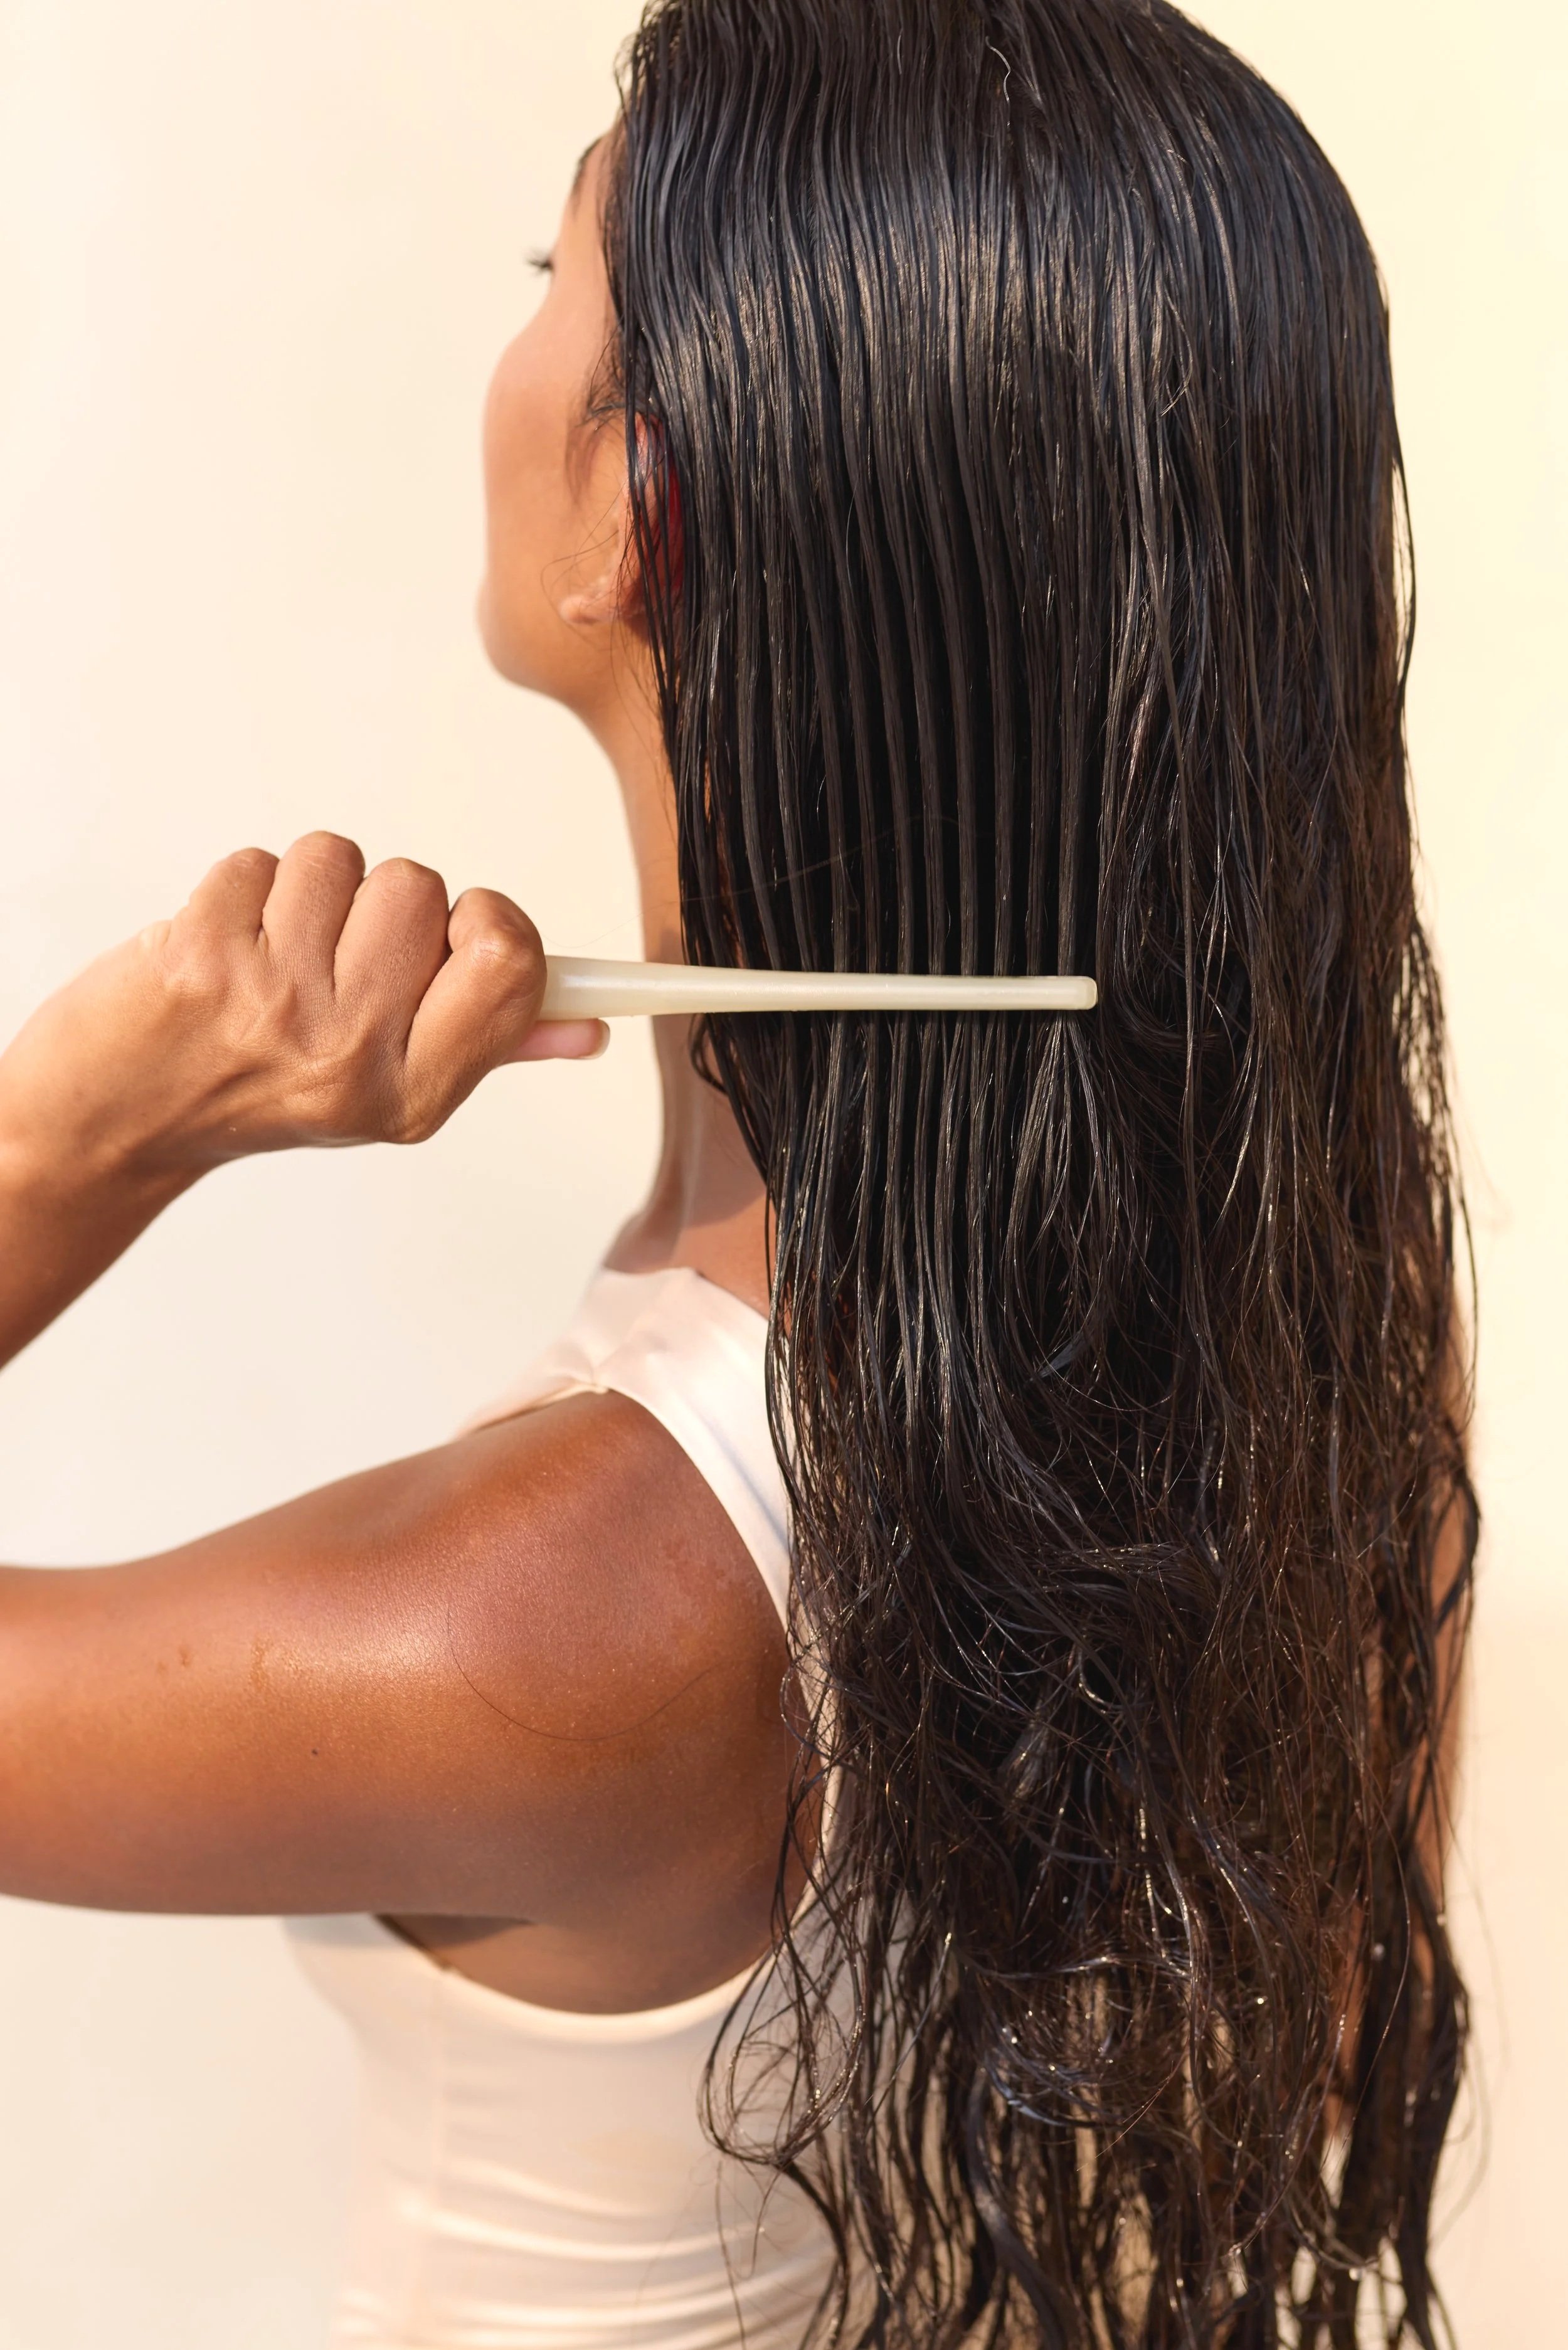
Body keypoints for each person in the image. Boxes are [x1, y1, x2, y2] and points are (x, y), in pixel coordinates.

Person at [0, 1, 1475, 2344]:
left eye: (543, 260)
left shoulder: (580, 1612)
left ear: (645, 511)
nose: (503, 335)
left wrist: (78, 1136)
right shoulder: (1290, 1331)